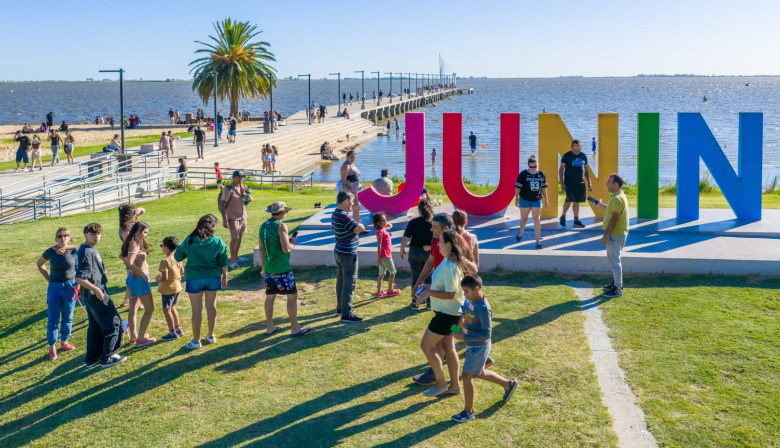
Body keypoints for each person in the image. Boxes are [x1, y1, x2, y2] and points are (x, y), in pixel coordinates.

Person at [451, 274, 518, 423]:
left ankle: (468, 412)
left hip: (478, 347)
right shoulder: (472, 300)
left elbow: (487, 334)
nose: (465, 295)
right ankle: (508, 384)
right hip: (472, 345)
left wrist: (465, 338)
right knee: (479, 372)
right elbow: (467, 315)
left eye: (466, 291)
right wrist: (458, 327)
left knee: (466, 375)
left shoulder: (483, 308)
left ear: (477, 289)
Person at [414, 229, 473, 397]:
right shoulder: (449, 262)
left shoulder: (449, 265)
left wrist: (428, 292)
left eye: (440, 241)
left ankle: (440, 383)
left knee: (426, 346)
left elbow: (451, 293)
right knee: (448, 347)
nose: (437, 244)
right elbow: (446, 288)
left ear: (448, 245)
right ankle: (454, 386)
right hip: (451, 314)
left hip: (446, 315)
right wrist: (428, 288)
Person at [75, 223, 126, 368]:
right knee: (113, 323)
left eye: (98, 234)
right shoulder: (86, 252)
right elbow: (80, 278)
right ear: (85, 234)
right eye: (93, 234)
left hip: (91, 295)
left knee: (95, 327)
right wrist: (97, 290)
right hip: (96, 295)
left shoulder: (89, 249)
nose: (96, 236)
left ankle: (92, 358)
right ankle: (108, 357)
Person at [175, 214, 229, 349]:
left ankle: (195, 341)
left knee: (196, 310)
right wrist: (225, 275)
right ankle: (211, 335)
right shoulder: (217, 241)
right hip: (213, 277)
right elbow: (223, 260)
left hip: (194, 278)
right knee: (211, 307)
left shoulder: (190, 240)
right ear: (212, 227)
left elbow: (178, 256)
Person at [259, 202, 311, 337]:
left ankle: (270, 327)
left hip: (269, 268)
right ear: (283, 213)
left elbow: (261, 249)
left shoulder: (263, 226)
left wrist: (263, 267)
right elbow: (286, 249)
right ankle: (295, 327)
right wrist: (293, 242)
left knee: (270, 296)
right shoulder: (281, 226)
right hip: (282, 267)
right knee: (292, 296)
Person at [37, 227, 79, 361]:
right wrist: (49, 279)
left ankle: (64, 341)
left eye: (65, 235)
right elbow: (40, 264)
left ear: (69, 237)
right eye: (59, 236)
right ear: (56, 239)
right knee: (53, 318)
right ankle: (52, 346)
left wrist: (78, 285)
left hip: (70, 287)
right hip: (54, 288)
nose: (63, 238)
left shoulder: (75, 250)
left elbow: (79, 268)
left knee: (68, 316)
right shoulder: (50, 251)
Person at [331, 191, 367, 323]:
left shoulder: (335, 213)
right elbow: (361, 227)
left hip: (339, 251)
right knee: (350, 282)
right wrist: (356, 229)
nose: (353, 204)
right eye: (352, 201)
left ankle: (341, 308)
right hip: (348, 253)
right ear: (346, 200)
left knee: (341, 281)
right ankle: (346, 314)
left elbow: (356, 228)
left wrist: (355, 229)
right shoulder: (344, 216)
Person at [121, 222, 156, 347]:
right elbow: (130, 262)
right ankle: (141, 339)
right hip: (139, 280)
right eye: (144, 232)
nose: (146, 235)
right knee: (150, 308)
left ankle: (134, 336)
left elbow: (122, 256)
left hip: (132, 279)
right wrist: (142, 274)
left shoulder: (131, 242)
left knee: (133, 308)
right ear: (137, 232)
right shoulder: (135, 244)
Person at [594, 173, 629, 298]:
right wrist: (600, 205)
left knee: (615, 262)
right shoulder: (618, 196)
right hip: (619, 234)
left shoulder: (616, 199)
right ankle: (615, 284)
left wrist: (606, 235)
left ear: (615, 184)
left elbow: (614, 219)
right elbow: (612, 210)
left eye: (608, 182)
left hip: (615, 235)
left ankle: (618, 289)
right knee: (614, 260)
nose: (606, 184)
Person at [400, 200, 434, 306]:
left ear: (419, 210)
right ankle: (429, 302)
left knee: (416, 277)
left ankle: (415, 302)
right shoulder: (434, 223)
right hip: (429, 253)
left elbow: (405, 238)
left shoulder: (413, 222)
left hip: (415, 252)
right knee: (429, 278)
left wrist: (402, 249)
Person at [221, 170, 253, 269]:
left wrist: (250, 198)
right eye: (239, 176)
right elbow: (223, 205)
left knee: (240, 236)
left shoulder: (244, 187)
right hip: (233, 218)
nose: (241, 178)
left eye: (242, 177)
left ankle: (236, 257)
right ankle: (232, 261)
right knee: (234, 238)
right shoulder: (228, 189)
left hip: (243, 216)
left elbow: (247, 200)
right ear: (233, 177)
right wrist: (224, 219)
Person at [515, 155, 549, 247]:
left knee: (536, 219)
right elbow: (518, 187)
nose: (533, 168)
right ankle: (520, 232)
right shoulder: (523, 174)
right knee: (524, 219)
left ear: (538, 165)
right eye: (531, 167)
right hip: (524, 199)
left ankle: (538, 241)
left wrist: (546, 199)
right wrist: (516, 198)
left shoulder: (541, 174)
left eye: (535, 166)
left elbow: (544, 188)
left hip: (537, 199)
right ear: (528, 166)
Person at [558, 139, 592, 228]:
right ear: (571, 147)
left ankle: (576, 220)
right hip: (569, 183)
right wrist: (562, 182)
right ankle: (563, 216)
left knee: (577, 201)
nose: (577, 149)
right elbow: (561, 170)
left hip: (580, 183)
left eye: (578, 147)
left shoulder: (583, 156)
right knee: (569, 200)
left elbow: (586, 170)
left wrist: (589, 181)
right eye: (575, 147)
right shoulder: (567, 156)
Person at [156, 236, 184, 342]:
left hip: (168, 289)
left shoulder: (165, 261)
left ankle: (172, 333)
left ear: (166, 247)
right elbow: (182, 272)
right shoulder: (178, 257)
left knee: (166, 310)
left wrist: (158, 279)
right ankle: (178, 329)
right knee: (172, 307)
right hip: (177, 287)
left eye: (162, 246)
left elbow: (165, 277)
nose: (162, 248)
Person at [118, 204, 146, 308]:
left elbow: (143, 210)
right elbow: (130, 245)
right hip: (132, 257)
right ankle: (136, 303)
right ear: (127, 215)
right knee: (135, 280)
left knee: (131, 279)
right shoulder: (125, 230)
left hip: (135, 255)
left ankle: (126, 300)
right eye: (132, 213)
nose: (135, 214)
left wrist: (136, 211)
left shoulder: (132, 222)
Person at [340, 150, 365, 227]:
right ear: (347, 157)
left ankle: (356, 225)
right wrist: (345, 192)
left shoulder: (352, 165)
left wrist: (359, 185)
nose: (353, 158)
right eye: (351, 157)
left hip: (355, 190)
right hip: (349, 191)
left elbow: (354, 177)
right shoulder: (346, 166)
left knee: (355, 208)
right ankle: (356, 226)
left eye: (354, 157)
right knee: (353, 208)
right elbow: (343, 181)